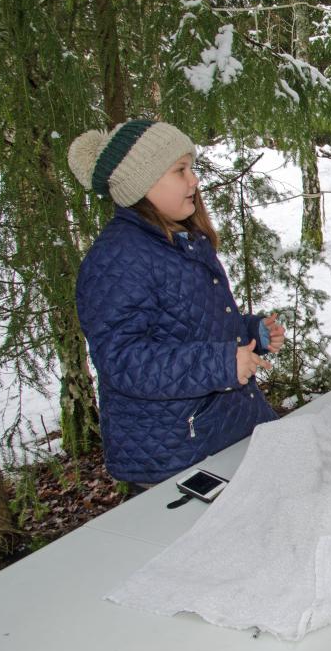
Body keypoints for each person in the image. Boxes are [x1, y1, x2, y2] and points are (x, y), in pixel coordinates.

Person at [69, 119, 285, 486]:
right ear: (143, 182)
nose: (194, 180)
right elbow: (122, 359)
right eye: (180, 170)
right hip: (175, 455)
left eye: (193, 168)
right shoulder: (119, 258)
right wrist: (220, 363)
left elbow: (194, 324)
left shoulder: (180, 241)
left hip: (222, 433)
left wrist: (251, 333)